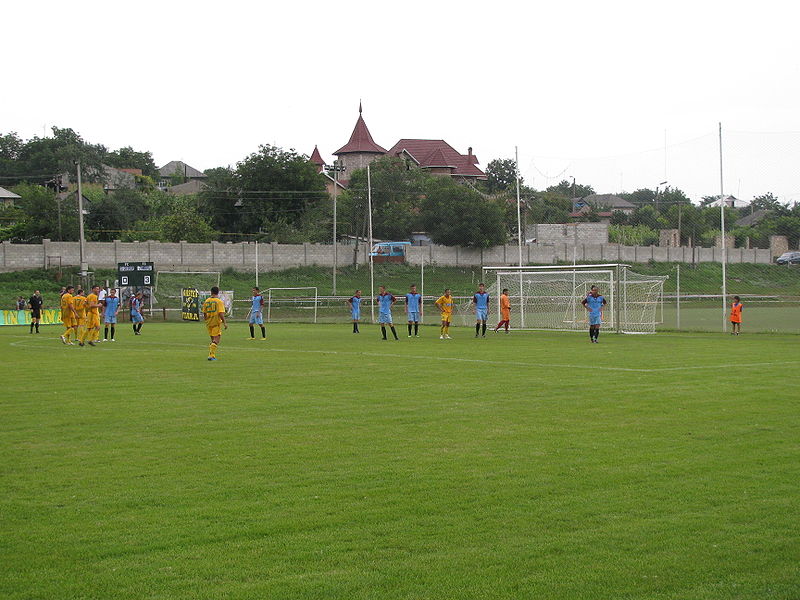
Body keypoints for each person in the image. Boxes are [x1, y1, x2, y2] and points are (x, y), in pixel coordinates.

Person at [202, 286, 228, 361]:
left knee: (213, 339)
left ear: (211, 292)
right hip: (216, 322)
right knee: (217, 339)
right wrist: (225, 323)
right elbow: (221, 313)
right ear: (218, 292)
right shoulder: (219, 302)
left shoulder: (207, 301)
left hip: (209, 323)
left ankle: (212, 354)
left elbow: (204, 312)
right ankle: (211, 356)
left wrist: (206, 320)